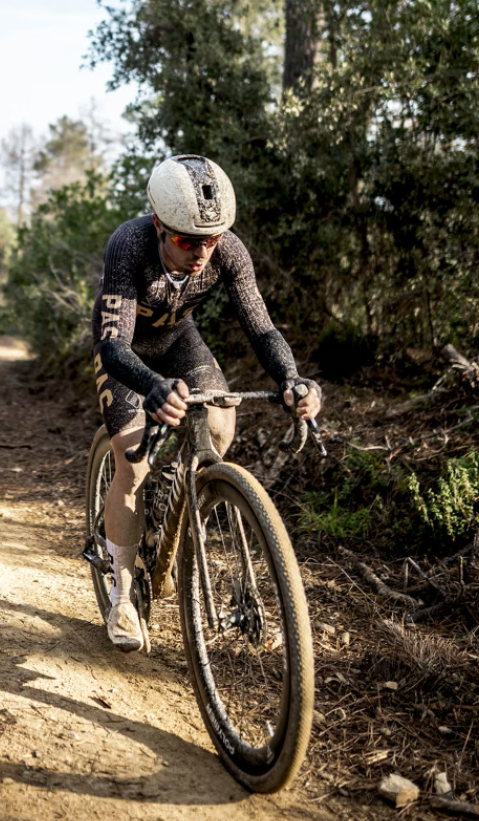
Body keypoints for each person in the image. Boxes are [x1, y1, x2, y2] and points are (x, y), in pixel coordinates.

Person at [91, 154, 321, 651]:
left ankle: (176, 495)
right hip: (128, 351)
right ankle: (123, 594)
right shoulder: (129, 245)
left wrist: (291, 378)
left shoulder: (228, 252)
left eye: (210, 240)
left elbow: (260, 327)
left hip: (179, 342)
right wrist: (151, 385)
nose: (201, 252)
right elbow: (113, 347)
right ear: (159, 225)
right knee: (131, 463)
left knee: (218, 429)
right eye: (186, 240)